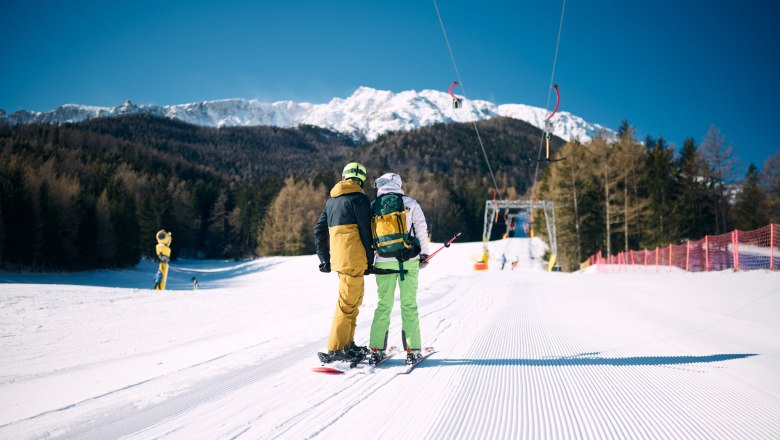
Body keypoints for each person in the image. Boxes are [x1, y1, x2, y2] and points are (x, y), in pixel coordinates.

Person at [313, 162, 374, 364]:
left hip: (341, 261)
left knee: (352, 303)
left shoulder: (331, 202)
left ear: (344, 177)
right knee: (347, 305)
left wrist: (324, 258)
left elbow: (318, 230)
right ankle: (336, 349)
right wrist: (371, 260)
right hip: (355, 259)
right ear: (361, 180)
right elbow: (366, 232)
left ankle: (347, 343)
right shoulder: (360, 200)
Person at [368, 173, 430, 365]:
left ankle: (377, 349)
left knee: (383, 305)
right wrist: (423, 255)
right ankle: (412, 349)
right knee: (408, 305)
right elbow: (421, 229)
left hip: (382, 261)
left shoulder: (372, 206)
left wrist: (371, 261)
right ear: (399, 184)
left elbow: (367, 235)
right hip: (407, 261)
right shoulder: (411, 203)